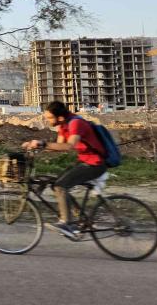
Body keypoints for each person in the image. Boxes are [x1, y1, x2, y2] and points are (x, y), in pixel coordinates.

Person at [21, 100, 107, 239]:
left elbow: (69, 146)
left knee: (61, 186)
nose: (47, 120)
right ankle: (80, 220)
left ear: (60, 117)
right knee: (57, 185)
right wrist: (35, 145)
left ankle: (67, 223)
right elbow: (59, 146)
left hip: (95, 164)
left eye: (50, 118)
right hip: (86, 161)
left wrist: (43, 144)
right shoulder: (63, 125)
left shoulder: (75, 124)